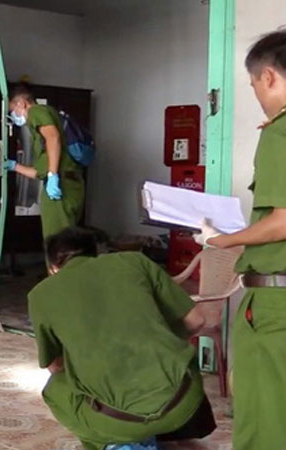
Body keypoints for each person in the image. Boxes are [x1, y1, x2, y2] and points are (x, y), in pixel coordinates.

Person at [28, 227, 216, 450]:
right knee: (173, 371)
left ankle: (116, 445)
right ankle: (169, 435)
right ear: (95, 253)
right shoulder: (135, 262)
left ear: (53, 268)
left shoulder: (41, 294)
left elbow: (55, 366)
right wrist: (159, 338)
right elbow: (197, 320)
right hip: (183, 401)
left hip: (122, 420)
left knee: (56, 390)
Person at [194, 29, 286, 450]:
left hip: (276, 304)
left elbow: (282, 221)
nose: (258, 96)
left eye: (253, 86)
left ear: (268, 77)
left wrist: (223, 240)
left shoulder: (280, 132)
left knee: (266, 418)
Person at [0, 84, 85, 239]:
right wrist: (13, 166)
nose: (13, 117)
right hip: (69, 184)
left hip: (61, 187)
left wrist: (52, 176)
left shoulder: (36, 112)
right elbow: (39, 171)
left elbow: (53, 137)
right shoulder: (48, 115)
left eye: (12, 111)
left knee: (58, 241)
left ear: (22, 103)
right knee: (66, 240)